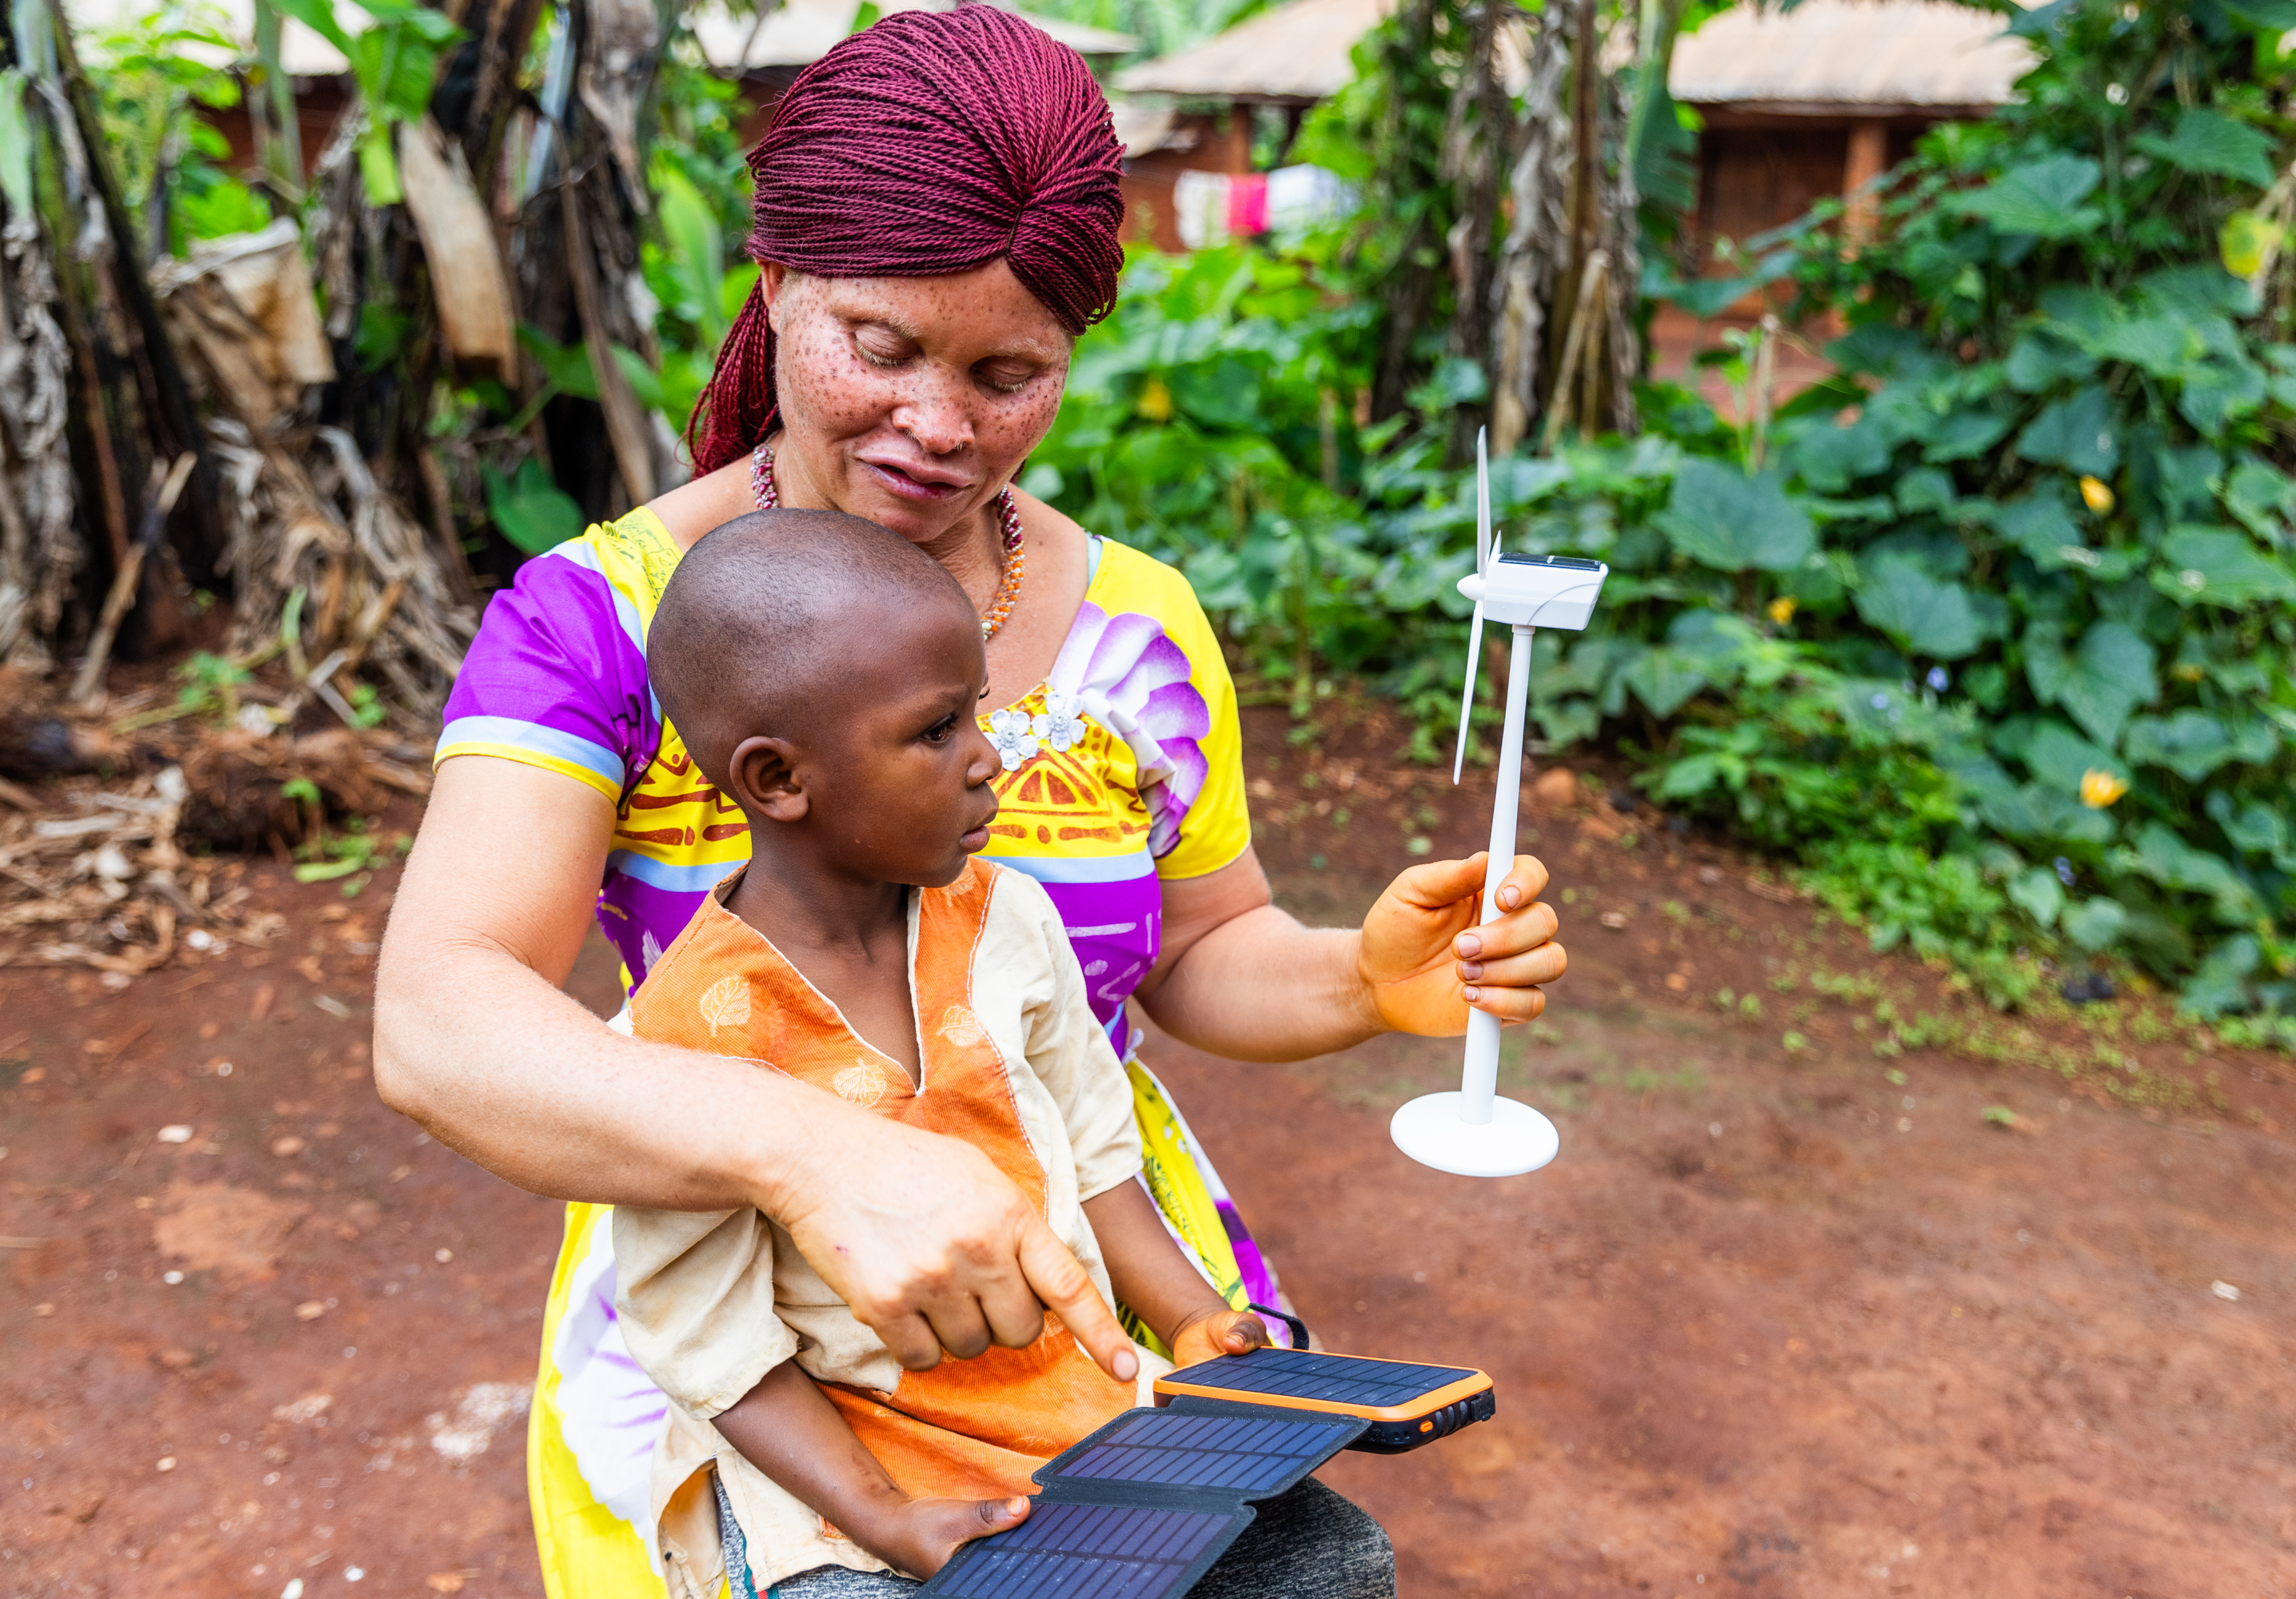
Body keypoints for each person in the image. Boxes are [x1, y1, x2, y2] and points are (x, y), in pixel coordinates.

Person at [373, 9, 1564, 1594]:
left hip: (1102, 1286)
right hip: (763, 1347)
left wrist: (1356, 978)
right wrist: (815, 1157)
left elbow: (1204, 948)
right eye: (881, 346)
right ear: (778, 277)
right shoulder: (606, 622)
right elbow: (441, 1016)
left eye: (1010, 374)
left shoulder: (1138, 624)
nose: (941, 426)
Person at [612, 508, 1391, 1597]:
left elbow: (1091, 1151)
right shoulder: (673, 1046)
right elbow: (716, 1350)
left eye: (976, 712)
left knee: (1329, 1561)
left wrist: (1191, 1318)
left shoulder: (1008, 921)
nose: (990, 759)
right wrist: (893, 1526)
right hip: (844, 1484)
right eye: (937, 732)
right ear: (778, 779)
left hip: (1076, 1415)